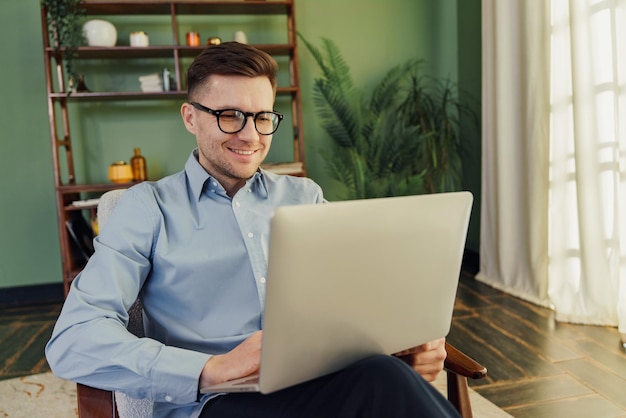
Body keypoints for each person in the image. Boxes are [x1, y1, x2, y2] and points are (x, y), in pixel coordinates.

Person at [46, 42, 461, 418]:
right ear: (190, 117)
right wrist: (211, 369)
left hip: (321, 385)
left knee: (387, 376)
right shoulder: (147, 208)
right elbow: (73, 340)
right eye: (230, 116)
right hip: (217, 403)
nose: (250, 135)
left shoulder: (304, 196)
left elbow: (361, 299)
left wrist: (412, 344)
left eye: (263, 117)